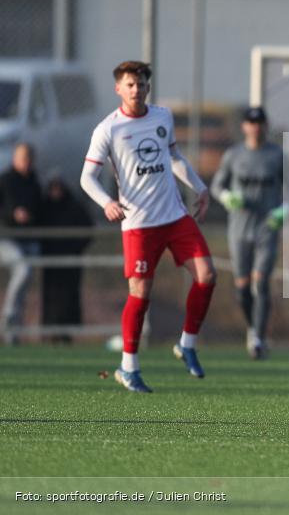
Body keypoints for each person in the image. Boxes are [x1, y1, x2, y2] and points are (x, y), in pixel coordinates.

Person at [80, 60, 216, 393]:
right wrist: (107, 203)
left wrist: (199, 187)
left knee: (207, 275)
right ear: (118, 89)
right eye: (130, 85)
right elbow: (87, 177)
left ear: (148, 87)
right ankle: (128, 366)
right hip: (138, 224)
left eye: (141, 84)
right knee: (140, 295)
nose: (136, 90)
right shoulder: (107, 129)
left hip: (174, 215)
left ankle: (187, 344)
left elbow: (174, 158)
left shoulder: (162, 117)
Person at [211, 107, 289, 360]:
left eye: (260, 122)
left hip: (267, 227)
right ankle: (254, 330)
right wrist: (227, 197)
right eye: (251, 122)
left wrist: (283, 211)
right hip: (239, 229)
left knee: (260, 281)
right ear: (244, 126)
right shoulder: (234, 155)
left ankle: (258, 338)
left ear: (265, 126)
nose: (255, 127)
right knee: (242, 288)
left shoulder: (277, 155)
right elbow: (217, 185)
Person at [40, 173, 94, 344]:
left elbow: (87, 229)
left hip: (71, 261)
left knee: (70, 297)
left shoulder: (74, 207)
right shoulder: (46, 208)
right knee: (51, 297)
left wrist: (75, 248)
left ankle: (67, 333)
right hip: (51, 262)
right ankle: (51, 333)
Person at [0, 143, 42, 345]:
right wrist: (12, 215)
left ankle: (13, 333)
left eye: (29, 159)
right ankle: (8, 318)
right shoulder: (5, 180)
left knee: (25, 284)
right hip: (6, 238)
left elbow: (41, 209)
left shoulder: (34, 182)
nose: (26, 163)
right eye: (23, 158)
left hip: (28, 239)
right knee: (23, 270)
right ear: (15, 159)